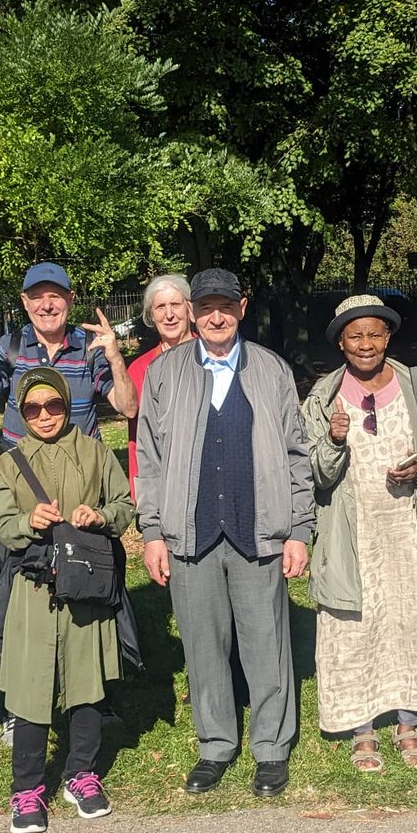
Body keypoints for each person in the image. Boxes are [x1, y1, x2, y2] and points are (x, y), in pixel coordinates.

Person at [137, 267, 314, 798]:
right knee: (203, 646)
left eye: (225, 305)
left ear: (241, 308)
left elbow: (297, 456)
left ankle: (271, 749)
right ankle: (215, 745)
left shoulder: (272, 370)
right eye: (205, 305)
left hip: (258, 531)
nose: (215, 315)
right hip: (189, 534)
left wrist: (299, 529)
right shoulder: (166, 374)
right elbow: (149, 458)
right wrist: (152, 532)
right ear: (192, 312)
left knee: (266, 645)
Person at [301, 295, 417, 773]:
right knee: (356, 626)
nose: (366, 344)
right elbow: (314, 474)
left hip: (407, 530)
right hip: (353, 534)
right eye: (355, 336)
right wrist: (332, 442)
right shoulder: (322, 398)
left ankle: (408, 723)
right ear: (340, 343)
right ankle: (362, 728)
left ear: (388, 337)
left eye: (374, 334)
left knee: (408, 619)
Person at [0, 367, 134, 833]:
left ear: (67, 405)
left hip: (87, 588)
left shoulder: (93, 452)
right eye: (32, 407)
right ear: (21, 411)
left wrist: (101, 515)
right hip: (33, 591)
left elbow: (125, 505)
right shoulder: (9, 463)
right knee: (31, 689)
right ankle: (27, 789)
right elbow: (0, 524)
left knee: (87, 683)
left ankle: (81, 774)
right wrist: (30, 519)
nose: (44, 415)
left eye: (54, 405)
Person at [0, 262, 136, 449]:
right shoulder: (10, 347)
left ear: (71, 299)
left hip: (81, 470)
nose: (46, 305)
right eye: (37, 297)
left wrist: (115, 358)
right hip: (23, 472)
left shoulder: (91, 347)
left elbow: (128, 409)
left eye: (55, 296)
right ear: (25, 301)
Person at [126, 273, 193, 499]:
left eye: (176, 304)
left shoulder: (212, 357)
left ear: (190, 309)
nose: (169, 315)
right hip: (161, 487)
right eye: (160, 307)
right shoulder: (139, 369)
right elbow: (138, 437)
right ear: (151, 316)